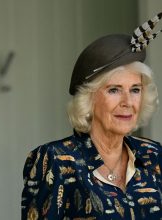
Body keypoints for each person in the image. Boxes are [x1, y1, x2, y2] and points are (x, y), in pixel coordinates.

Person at [21, 12, 162, 219]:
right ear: (89, 99)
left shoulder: (154, 155)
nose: (127, 102)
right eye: (114, 90)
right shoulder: (55, 160)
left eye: (135, 89)